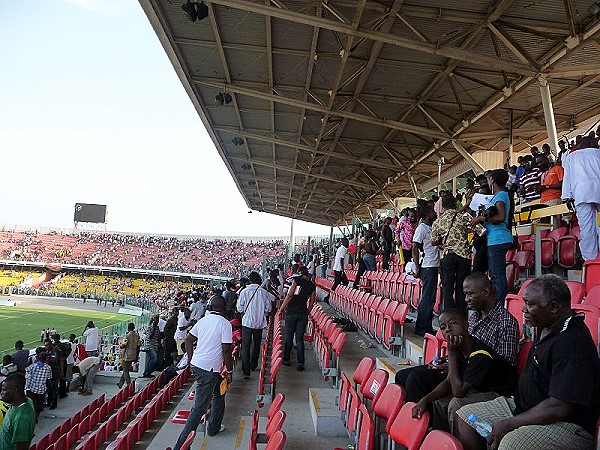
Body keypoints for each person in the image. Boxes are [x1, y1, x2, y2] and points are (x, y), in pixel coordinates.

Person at [457, 274, 600, 450]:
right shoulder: (546, 325)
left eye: (530, 304)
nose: (523, 309)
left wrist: (510, 423)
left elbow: (559, 407)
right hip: (524, 407)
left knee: (512, 444)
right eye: (524, 302)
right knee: (466, 416)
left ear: (554, 307)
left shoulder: (572, 343)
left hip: (565, 425)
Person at [396, 273, 519, 394]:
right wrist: (447, 360)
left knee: (416, 379)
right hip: (460, 366)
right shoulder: (475, 316)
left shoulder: (505, 322)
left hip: (477, 377)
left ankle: (420, 413)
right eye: (465, 294)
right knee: (402, 376)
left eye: (470, 294)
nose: (466, 299)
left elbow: (505, 366)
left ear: (486, 292)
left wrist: (455, 365)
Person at [410, 309, 517, 435]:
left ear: (466, 325)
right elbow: (449, 381)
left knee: (456, 404)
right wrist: (425, 400)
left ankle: (457, 444)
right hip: (480, 389)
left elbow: (458, 392)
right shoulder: (460, 347)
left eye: (453, 323)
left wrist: (452, 354)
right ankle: (441, 441)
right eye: (443, 327)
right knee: (439, 401)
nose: (448, 329)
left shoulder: (480, 355)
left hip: (504, 395)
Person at [170, 296, 233, 450]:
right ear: (224, 309)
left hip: (200, 366)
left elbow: (189, 340)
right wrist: (230, 370)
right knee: (199, 408)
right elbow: (226, 350)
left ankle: (213, 427)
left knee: (219, 394)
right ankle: (181, 446)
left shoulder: (203, 321)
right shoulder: (225, 324)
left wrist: (191, 360)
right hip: (208, 370)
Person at [471, 169, 513, 303]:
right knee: (495, 274)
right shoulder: (500, 195)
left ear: (493, 181)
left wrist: (481, 219)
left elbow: (500, 217)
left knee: (497, 275)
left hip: (498, 239)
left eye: (489, 179)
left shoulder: (501, 196)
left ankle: (499, 305)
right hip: (495, 238)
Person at [431, 193, 472, 311]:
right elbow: (478, 229)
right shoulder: (464, 217)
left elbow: (433, 242)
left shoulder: (438, 221)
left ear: (442, 206)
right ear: (455, 204)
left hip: (447, 256)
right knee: (462, 287)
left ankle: (449, 315)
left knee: (448, 288)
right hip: (463, 255)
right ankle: (462, 316)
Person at [562, 136, 600, 260]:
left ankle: (590, 261)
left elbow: (567, 177)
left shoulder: (572, 157)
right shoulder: (598, 153)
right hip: (598, 191)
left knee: (587, 229)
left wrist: (566, 196)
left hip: (581, 194)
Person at [237, 272, 273, 379]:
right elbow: (268, 309)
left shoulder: (244, 291)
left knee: (246, 346)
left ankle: (246, 370)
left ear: (249, 280)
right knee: (257, 344)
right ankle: (253, 365)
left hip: (247, 322)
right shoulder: (264, 292)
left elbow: (239, 308)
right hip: (259, 323)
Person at [280, 267, 316, 371]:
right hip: (302, 313)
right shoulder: (312, 286)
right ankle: (300, 362)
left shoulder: (296, 281)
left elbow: (290, 295)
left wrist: (282, 308)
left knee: (289, 337)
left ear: (300, 273)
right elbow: (312, 302)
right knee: (299, 339)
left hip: (291, 312)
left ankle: (286, 359)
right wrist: (307, 312)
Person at [413, 203, 440, 336]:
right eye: (433, 212)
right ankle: (422, 328)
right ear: (428, 214)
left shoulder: (431, 227)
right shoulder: (422, 228)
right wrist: (417, 267)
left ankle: (426, 326)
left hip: (433, 266)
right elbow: (414, 247)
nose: (435, 213)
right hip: (428, 267)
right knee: (427, 299)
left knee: (430, 299)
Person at [0, 374, 36, 450]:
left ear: (14, 390)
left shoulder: (21, 418)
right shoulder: (28, 401)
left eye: (4, 390)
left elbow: (21, 447)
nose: (1, 393)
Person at [24, 352, 51, 419]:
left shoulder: (33, 366)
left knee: (32, 403)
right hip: (41, 390)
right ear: (46, 359)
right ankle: (36, 415)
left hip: (32, 388)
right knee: (39, 404)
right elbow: (48, 379)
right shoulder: (48, 368)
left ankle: (32, 415)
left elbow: (26, 370)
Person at [117, 323, 140, 388]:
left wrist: (120, 345)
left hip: (127, 356)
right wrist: (136, 356)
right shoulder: (137, 335)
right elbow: (138, 347)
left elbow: (123, 345)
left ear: (128, 328)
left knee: (125, 371)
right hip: (133, 355)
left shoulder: (127, 336)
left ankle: (129, 386)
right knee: (125, 369)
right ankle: (120, 384)